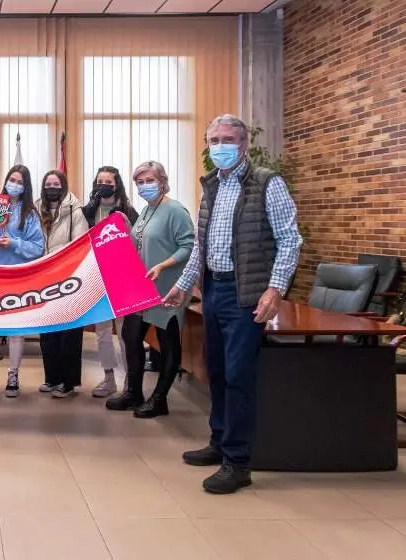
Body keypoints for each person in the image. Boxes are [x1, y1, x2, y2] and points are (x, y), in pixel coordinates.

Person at [164, 114, 302, 494]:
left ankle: (238, 461)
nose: (220, 145)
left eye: (228, 139)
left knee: (240, 376)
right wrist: (183, 285)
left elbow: (290, 240)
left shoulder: (266, 182)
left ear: (243, 144)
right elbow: (201, 248)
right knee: (219, 370)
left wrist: (275, 289)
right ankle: (220, 441)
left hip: (247, 294)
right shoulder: (212, 187)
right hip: (213, 290)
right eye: (214, 139)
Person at [105, 161, 194, 417]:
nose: (145, 186)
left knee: (167, 344)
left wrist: (164, 266)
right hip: (142, 289)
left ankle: (160, 398)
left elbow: (188, 246)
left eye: (149, 180)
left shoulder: (175, 210)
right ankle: (134, 391)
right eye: (140, 182)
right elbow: (139, 243)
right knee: (131, 337)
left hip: (168, 289)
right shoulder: (145, 211)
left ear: (162, 181)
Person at [0, 164, 45, 397]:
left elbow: (38, 248)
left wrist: (14, 243)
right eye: (11, 179)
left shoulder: (31, 214)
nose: (13, 184)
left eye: (19, 181)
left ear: (25, 187)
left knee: (16, 328)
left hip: (18, 276)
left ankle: (13, 374)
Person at [82, 166, 138, 399]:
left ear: (117, 185)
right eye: (100, 181)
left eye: (109, 182)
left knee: (125, 332)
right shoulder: (87, 211)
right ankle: (108, 379)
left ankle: (129, 381)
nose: (103, 185)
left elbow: (136, 244)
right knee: (102, 332)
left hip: (122, 278)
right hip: (97, 277)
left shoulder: (128, 211)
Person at [36, 170, 89, 398]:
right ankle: (52, 378)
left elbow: (81, 243)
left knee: (69, 333)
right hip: (41, 278)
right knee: (47, 331)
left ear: (63, 185)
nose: (52, 187)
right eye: (48, 183)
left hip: (69, 278)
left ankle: (68, 382)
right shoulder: (36, 209)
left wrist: (59, 263)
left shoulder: (75, 210)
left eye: (56, 183)